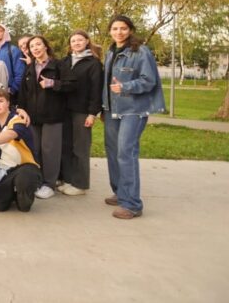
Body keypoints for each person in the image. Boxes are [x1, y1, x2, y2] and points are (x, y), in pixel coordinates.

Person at [102, 15, 165, 219]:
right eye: (115, 28)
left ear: (130, 30)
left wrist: (125, 87)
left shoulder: (140, 51)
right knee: (113, 151)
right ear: (110, 31)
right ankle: (121, 193)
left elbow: (149, 80)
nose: (119, 32)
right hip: (112, 110)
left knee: (126, 153)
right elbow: (106, 83)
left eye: (123, 28)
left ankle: (132, 204)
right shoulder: (110, 52)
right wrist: (104, 107)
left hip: (133, 110)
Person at [18, 35, 74, 200]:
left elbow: (72, 84)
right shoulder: (30, 67)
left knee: (50, 151)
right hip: (33, 117)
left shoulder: (58, 65)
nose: (35, 48)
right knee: (35, 149)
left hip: (52, 116)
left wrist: (53, 83)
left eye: (38, 44)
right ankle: (38, 180)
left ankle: (49, 184)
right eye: (32, 46)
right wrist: (21, 108)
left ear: (45, 46)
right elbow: (23, 91)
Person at [0, 88, 43, 212]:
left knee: (24, 191)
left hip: (26, 166)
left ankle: (24, 194)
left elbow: (11, 134)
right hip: (4, 168)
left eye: (0, 101)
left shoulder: (18, 119)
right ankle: (12, 192)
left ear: (8, 103)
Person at [60, 30, 103, 196]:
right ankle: (68, 180)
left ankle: (80, 184)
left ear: (86, 42)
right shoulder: (65, 61)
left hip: (82, 111)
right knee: (67, 146)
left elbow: (96, 90)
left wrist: (92, 113)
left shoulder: (93, 63)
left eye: (80, 40)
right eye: (73, 41)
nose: (76, 43)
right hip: (65, 110)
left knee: (81, 148)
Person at [0, 23, 25, 99]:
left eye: (0, 31)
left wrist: (13, 89)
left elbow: (20, 72)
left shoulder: (13, 50)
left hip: (8, 92)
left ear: (5, 33)